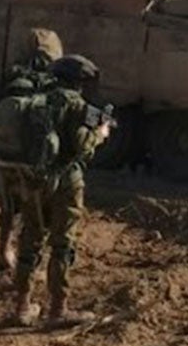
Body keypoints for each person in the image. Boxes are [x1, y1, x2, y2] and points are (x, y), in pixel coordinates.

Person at [6, 54, 111, 329]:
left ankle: (21, 306)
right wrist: (99, 134)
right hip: (66, 182)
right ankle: (58, 309)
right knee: (63, 244)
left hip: (32, 180)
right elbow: (82, 146)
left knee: (30, 239)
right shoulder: (80, 106)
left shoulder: (37, 100)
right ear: (80, 82)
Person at [0, 28, 62, 270]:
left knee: (9, 206)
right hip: (32, 159)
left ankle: (2, 250)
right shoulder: (53, 84)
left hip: (3, 153)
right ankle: (27, 268)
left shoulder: (12, 77)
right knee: (36, 213)